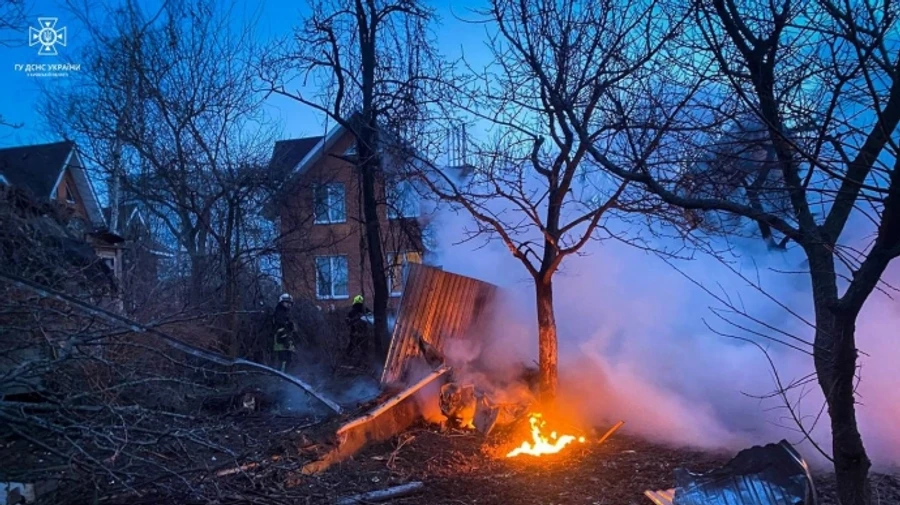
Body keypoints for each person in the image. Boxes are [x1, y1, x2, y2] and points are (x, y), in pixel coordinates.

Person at [273, 293, 297, 372]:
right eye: (287, 302)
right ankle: (281, 377)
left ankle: (285, 376)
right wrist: (286, 341)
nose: (289, 304)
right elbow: (280, 327)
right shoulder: (279, 313)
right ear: (281, 302)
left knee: (288, 360)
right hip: (280, 341)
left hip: (286, 340)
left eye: (290, 303)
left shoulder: (286, 313)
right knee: (283, 360)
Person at [345, 294, 372, 361]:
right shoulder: (365, 309)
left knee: (352, 345)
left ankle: (348, 357)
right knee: (364, 347)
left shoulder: (352, 311)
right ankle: (363, 359)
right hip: (363, 333)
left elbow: (347, 322)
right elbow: (371, 317)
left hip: (355, 333)